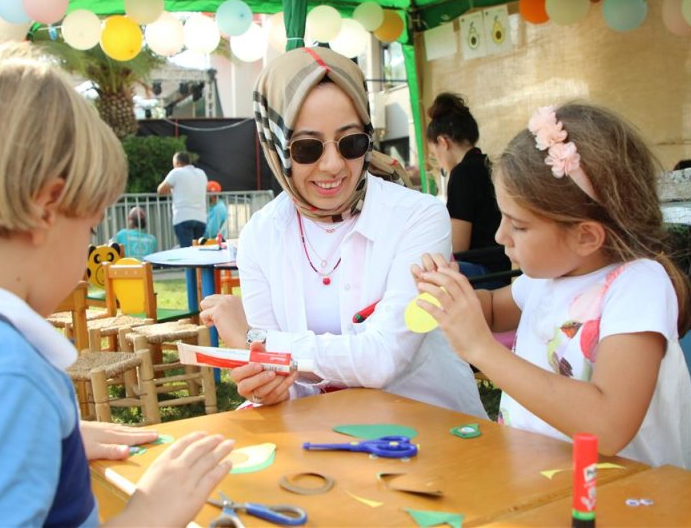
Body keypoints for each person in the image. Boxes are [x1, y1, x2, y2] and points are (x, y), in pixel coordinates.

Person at [0, 38, 234, 527]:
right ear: (45, 206)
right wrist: (149, 515)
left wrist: (54, 438)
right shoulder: (2, 376)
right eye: (89, 227)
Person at [199, 47, 485, 418]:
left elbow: (383, 359)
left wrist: (256, 340)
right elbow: (273, 375)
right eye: (307, 148)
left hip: (431, 430)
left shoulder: (420, 217)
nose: (333, 165)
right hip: (318, 439)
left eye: (352, 143)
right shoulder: (260, 235)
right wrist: (267, 384)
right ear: (276, 146)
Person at [412, 103, 691, 469]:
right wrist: (450, 295)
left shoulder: (638, 287)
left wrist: (481, 349)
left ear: (586, 236)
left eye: (519, 226)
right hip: (548, 483)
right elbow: (495, 310)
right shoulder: (550, 275)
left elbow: (609, 425)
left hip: (631, 501)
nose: (501, 237)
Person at [426, 92, 510, 288]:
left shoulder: (462, 174)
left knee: (422, 270)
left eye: (434, 154)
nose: (438, 162)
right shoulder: (490, 165)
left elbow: (458, 246)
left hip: (482, 273)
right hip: (503, 268)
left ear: (443, 142)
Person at [157, 151, 207, 248]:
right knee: (199, 252)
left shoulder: (177, 172)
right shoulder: (201, 173)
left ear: (177, 163)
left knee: (187, 252)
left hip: (183, 217)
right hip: (201, 218)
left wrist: (172, 188)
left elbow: (161, 190)